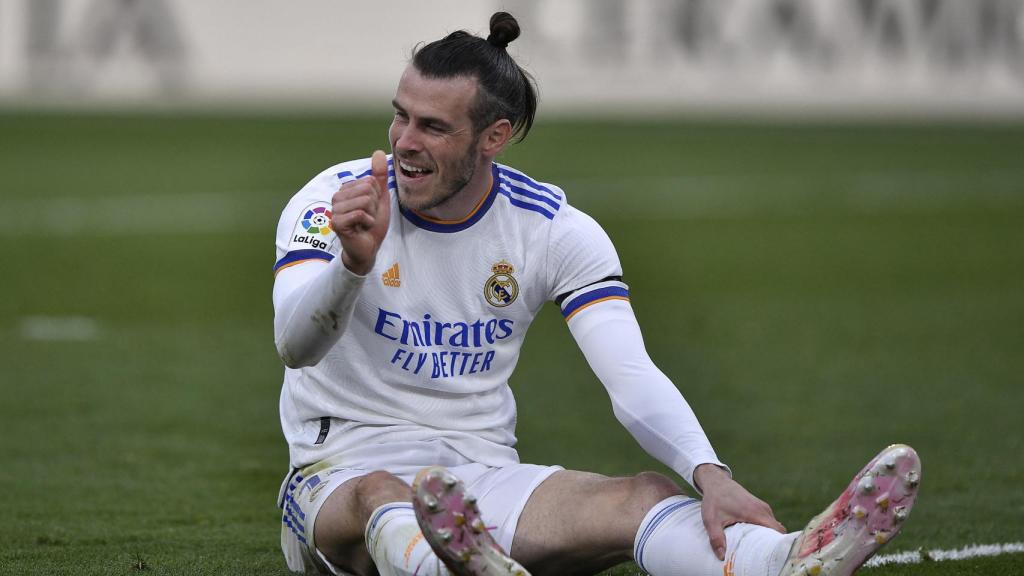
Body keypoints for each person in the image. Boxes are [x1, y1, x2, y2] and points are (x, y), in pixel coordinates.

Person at [272, 12, 920, 576]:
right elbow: (294, 345)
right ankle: (436, 562)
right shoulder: (335, 201)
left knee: (641, 495)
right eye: (400, 116)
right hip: (338, 474)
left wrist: (710, 473)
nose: (404, 143)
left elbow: (629, 374)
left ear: (493, 137)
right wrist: (352, 265)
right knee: (382, 495)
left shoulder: (552, 230)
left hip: (478, 482)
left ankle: (779, 561)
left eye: (433, 127)